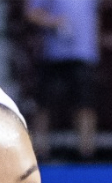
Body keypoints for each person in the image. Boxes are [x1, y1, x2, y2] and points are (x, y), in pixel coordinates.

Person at [25, 0, 99, 161]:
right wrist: (52, 21)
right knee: (44, 103)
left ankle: (86, 151)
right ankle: (40, 150)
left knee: (85, 103)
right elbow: (31, 13)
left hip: (83, 54)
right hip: (53, 55)